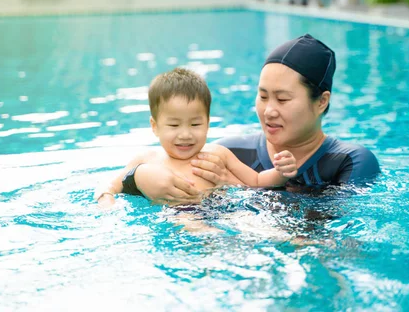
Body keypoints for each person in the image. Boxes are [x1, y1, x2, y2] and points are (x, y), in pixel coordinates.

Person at [106, 34, 381, 205]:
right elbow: (173, 168)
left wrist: (235, 185)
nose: (269, 110)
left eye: (282, 99)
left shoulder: (349, 161)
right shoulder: (230, 151)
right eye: (262, 97)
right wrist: (139, 177)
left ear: (321, 101)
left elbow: (336, 232)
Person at [95, 67, 298, 207]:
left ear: (208, 124)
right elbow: (109, 185)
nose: (185, 134)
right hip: (176, 215)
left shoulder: (218, 154)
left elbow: (255, 180)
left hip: (224, 210)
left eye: (195, 124)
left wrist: (282, 173)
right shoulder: (146, 160)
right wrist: (106, 202)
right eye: (174, 125)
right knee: (186, 221)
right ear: (155, 126)